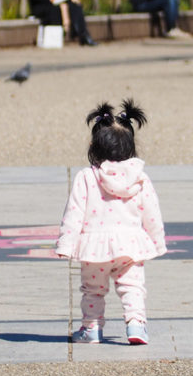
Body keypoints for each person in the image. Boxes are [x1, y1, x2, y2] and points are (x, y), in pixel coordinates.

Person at [55, 100, 166, 345]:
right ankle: (136, 325)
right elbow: (152, 212)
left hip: (95, 248)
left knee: (93, 290)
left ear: (95, 147)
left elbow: (74, 214)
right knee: (133, 287)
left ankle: (92, 328)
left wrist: (65, 244)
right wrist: (157, 242)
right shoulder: (140, 178)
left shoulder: (87, 177)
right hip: (130, 246)